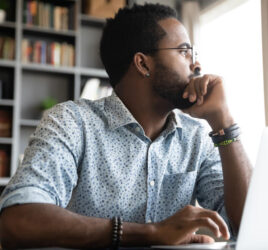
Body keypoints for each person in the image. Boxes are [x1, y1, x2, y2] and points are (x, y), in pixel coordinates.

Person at [0, 3, 252, 249]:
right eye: (184, 52)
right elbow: (17, 221)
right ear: (143, 64)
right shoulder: (73, 123)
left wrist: (224, 122)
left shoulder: (197, 137)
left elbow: (247, 224)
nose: (196, 65)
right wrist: (151, 233)